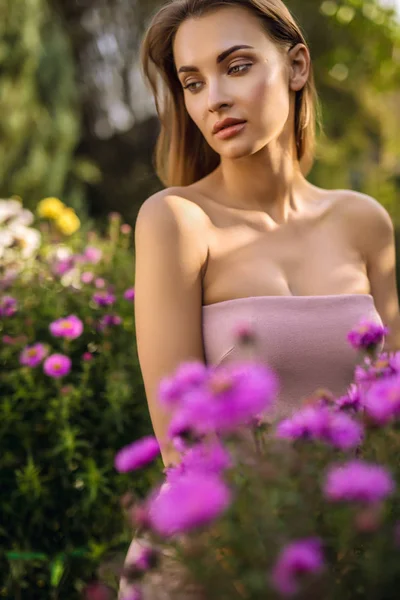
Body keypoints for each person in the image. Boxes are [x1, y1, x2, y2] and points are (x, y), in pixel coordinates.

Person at [119, 0, 400, 597]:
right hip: (222, 559)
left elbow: (393, 405)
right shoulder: (177, 220)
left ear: (297, 65)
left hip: (355, 554)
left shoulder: (364, 222)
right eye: (192, 83)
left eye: (237, 66)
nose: (212, 98)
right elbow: (181, 444)